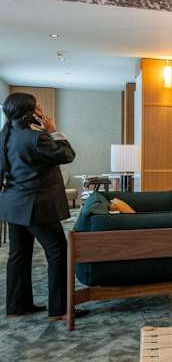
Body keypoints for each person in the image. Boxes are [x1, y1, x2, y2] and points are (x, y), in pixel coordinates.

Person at [1, 93, 87, 320]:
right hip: (36, 206)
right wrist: (53, 130)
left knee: (18, 255)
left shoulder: (6, 135)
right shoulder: (37, 138)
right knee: (58, 252)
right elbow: (68, 155)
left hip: (13, 205)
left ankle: (17, 306)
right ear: (29, 113)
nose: (41, 109)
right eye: (37, 107)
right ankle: (60, 309)